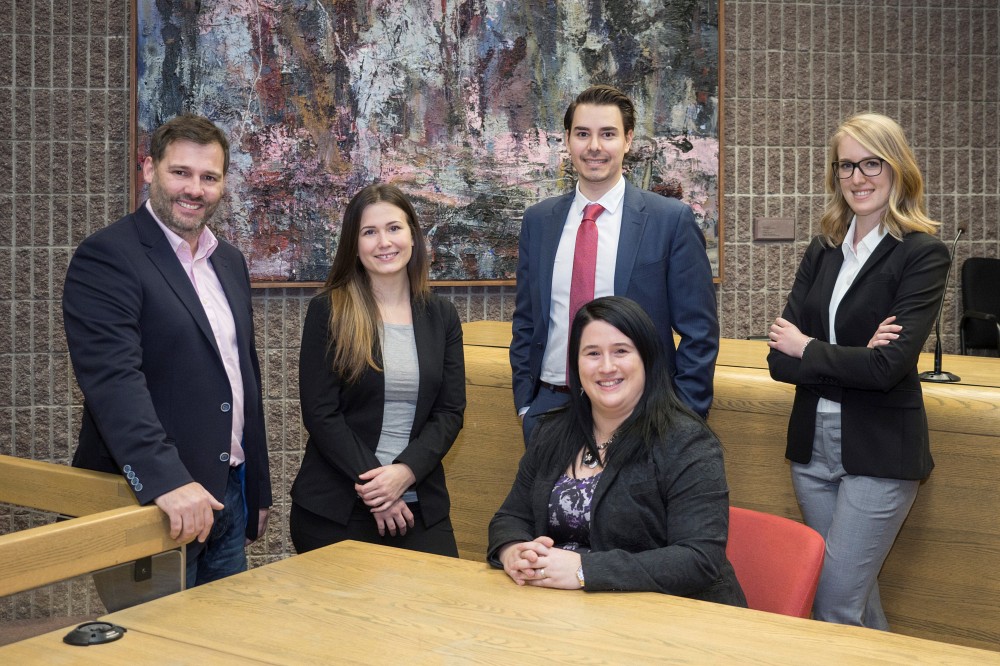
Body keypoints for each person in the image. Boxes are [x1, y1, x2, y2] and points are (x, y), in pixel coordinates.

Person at [63, 114, 271, 588]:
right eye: (181, 172)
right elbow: (114, 383)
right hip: (160, 505)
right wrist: (167, 483)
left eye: (209, 177)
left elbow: (242, 378)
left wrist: (257, 486)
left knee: (222, 650)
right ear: (149, 169)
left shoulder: (229, 261)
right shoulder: (108, 256)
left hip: (227, 500)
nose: (194, 189)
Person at [766, 113, 950, 628]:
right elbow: (779, 360)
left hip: (879, 448)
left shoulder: (921, 253)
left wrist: (810, 347)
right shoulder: (823, 250)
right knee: (854, 602)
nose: (858, 177)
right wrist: (847, 357)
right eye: (846, 165)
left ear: (897, 170)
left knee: (833, 604)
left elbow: (888, 367)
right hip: (812, 449)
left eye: (872, 163)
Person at [489, 296, 745, 605]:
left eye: (621, 352)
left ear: (646, 360)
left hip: (673, 619)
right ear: (576, 365)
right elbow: (510, 516)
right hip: (567, 612)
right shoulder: (552, 431)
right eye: (592, 353)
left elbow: (698, 559)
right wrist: (513, 550)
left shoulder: (688, 442)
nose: (607, 367)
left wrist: (585, 570)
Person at [510, 84, 718, 444]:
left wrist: (683, 418)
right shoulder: (539, 222)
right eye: (582, 134)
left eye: (607, 134)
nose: (594, 146)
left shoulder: (670, 221)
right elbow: (527, 321)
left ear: (627, 140)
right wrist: (527, 406)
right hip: (550, 410)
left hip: (643, 415)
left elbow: (699, 332)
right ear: (567, 140)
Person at [291, 184, 465, 557]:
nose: (383, 242)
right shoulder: (329, 311)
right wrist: (378, 489)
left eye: (394, 228)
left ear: (413, 237)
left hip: (420, 504)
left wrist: (403, 474)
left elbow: (449, 413)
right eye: (369, 232)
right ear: (354, 245)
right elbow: (321, 414)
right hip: (338, 507)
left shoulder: (442, 316)